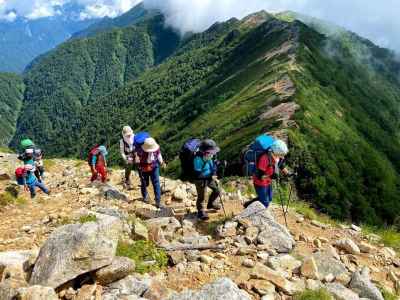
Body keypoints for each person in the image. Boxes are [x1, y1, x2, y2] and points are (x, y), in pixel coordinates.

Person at [246, 139, 289, 209]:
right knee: (265, 203)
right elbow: (260, 176)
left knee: (269, 198)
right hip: (260, 183)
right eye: (281, 154)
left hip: (268, 182)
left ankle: (247, 205)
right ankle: (250, 212)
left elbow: (281, 165)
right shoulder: (265, 158)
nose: (282, 156)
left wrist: (288, 173)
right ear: (276, 152)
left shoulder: (276, 157)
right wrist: (271, 176)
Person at [193, 139, 221, 220]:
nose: (212, 154)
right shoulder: (197, 159)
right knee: (201, 196)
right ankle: (200, 211)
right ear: (204, 151)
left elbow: (212, 166)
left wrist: (214, 173)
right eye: (211, 152)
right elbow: (198, 174)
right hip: (200, 180)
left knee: (217, 190)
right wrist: (210, 177)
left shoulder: (208, 156)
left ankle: (210, 204)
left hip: (209, 177)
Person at [137, 137, 165, 209]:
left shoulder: (156, 149)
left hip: (154, 166)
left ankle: (158, 201)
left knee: (156, 182)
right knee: (145, 183)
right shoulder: (140, 150)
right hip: (144, 168)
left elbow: (159, 155)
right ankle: (145, 196)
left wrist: (162, 163)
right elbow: (137, 159)